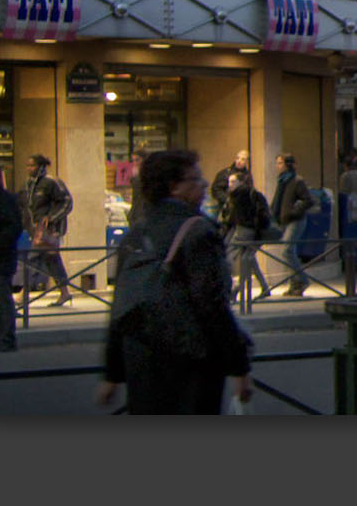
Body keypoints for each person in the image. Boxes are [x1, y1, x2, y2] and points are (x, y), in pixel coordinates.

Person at [95, 149, 253, 414]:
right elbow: (212, 306)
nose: (203, 185)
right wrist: (238, 367)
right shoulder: (199, 231)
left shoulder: (136, 233)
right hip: (191, 361)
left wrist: (112, 375)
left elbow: (120, 307)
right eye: (195, 179)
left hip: (142, 360)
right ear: (174, 187)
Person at [22, 153, 74, 306]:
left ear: (41, 167)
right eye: (28, 165)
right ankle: (65, 292)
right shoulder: (30, 184)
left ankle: (23, 293)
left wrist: (51, 217)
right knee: (52, 260)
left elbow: (67, 201)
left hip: (50, 230)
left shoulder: (52, 182)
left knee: (32, 258)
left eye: (32, 165)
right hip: (37, 229)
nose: (29, 168)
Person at [0, 163, 23, 352]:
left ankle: (7, 338)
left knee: (1, 299)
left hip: (1, 259)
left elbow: (14, 228)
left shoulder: (7, 200)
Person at [269, 153, 316, 297]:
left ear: (287, 164)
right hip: (285, 220)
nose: (278, 166)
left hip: (296, 220)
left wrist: (293, 212)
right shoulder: (282, 181)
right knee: (290, 252)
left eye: (280, 163)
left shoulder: (297, 180)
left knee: (287, 250)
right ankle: (294, 284)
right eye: (277, 163)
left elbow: (308, 200)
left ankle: (302, 280)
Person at [224, 168, 272, 299]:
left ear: (241, 182)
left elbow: (235, 218)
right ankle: (264, 287)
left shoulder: (240, 195)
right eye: (229, 182)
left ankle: (234, 289)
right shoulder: (251, 194)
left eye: (233, 182)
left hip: (245, 230)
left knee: (229, 255)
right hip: (255, 232)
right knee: (248, 260)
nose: (230, 185)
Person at [209, 149, 252, 233]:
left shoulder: (248, 176)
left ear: (247, 161)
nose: (239, 161)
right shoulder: (225, 173)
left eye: (243, 159)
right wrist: (228, 199)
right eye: (238, 158)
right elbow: (216, 189)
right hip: (226, 210)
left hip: (241, 212)